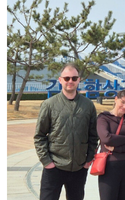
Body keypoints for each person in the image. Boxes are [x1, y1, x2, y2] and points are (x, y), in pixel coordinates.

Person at [33, 64, 99, 200]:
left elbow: (93, 136)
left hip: (79, 168)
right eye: (67, 78)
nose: (70, 81)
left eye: (74, 78)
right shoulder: (49, 104)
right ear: (60, 80)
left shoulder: (88, 105)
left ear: (79, 80)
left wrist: (88, 160)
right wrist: (46, 161)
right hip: (54, 166)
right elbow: (39, 136)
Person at [96, 89, 125, 200]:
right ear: (116, 99)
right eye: (123, 102)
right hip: (109, 167)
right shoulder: (103, 118)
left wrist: (117, 148)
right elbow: (106, 138)